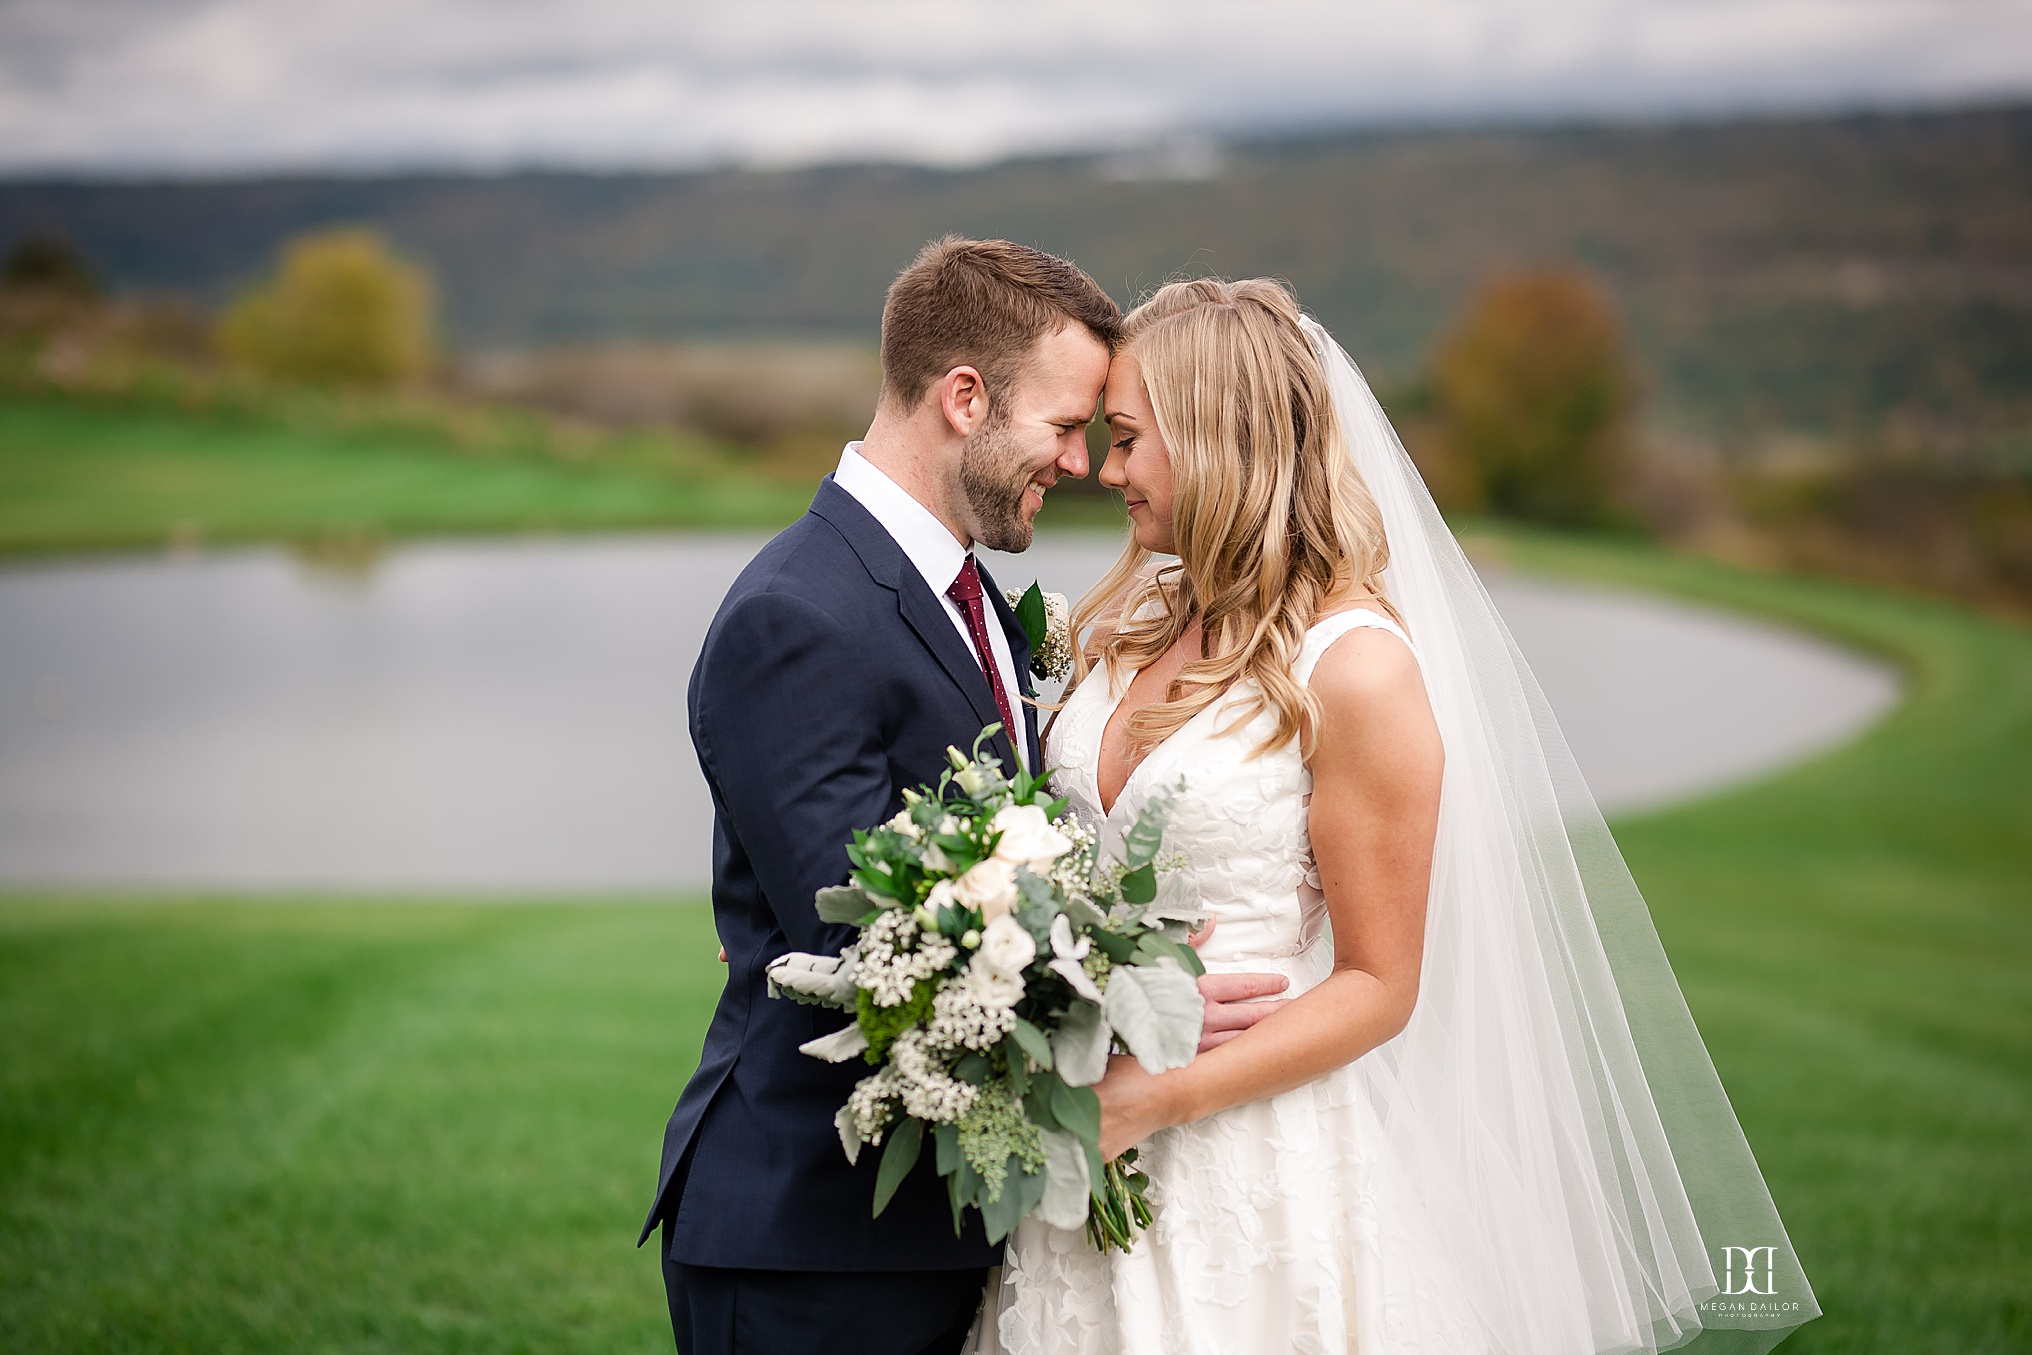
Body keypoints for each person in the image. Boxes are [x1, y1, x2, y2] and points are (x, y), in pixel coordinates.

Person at [977, 279, 1820, 1354]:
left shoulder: (1356, 667)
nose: (1102, 469)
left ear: (1217, 440)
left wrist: (1154, 1101)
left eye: (1129, 438)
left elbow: (1379, 984)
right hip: (1076, 1138)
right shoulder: (1134, 621)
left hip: (1245, 1161)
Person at [641, 240, 1291, 1355]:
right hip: (811, 1238)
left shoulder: (973, 595)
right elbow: (874, 942)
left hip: (952, 1223)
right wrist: (1128, 1031)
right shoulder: (796, 613)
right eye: (1066, 425)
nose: (1081, 463)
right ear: (963, 399)